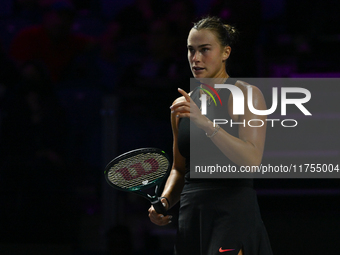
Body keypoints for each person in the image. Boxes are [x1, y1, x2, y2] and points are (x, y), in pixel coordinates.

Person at [148, 16, 273, 255]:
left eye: (205, 50)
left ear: (226, 52)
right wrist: (164, 201)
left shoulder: (246, 94)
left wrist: (205, 123)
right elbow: (179, 169)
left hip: (232, 212)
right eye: (191, 50)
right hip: (191, 215)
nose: (195, 59)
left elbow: (252, 160)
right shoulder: (181, 107)